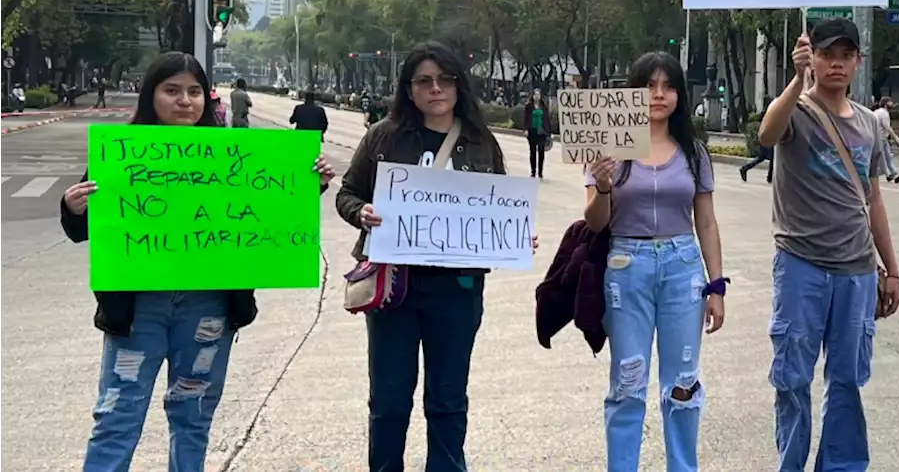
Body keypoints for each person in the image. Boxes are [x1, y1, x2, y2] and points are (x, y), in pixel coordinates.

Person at [59, 51, 335, 472]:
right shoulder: (121, 155)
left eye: (194, 92)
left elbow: (268, 213)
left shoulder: (234, 156)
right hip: (137, 311)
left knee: (193, 415)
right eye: (171, 91)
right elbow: (83, 228)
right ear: (150, 95)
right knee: (117, 414)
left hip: (208, 308)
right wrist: (72, 205)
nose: (185, 101)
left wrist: (307, 182)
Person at [336, 43, 529, 472]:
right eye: (424, 81)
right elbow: (347, 192)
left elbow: (498, 205)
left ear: (460, 85)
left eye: (445, 79)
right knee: (389, 400)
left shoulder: (481, 142)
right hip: (394, 288)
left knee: (447, 399)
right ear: (408, 88)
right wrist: (360, 212)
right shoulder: (383, 136)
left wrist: (513, 236)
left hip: (457, 289)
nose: (435, 89)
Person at [756, 17, 899, 472]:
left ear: (857, 61)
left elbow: (873, 198)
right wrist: (795, 81)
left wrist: (891, 268)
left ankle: (841, 465)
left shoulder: (867, 124)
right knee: (793, 378)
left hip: (856, 270)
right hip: (801, 264)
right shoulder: (796, 111)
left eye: (845, 55)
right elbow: (766, 135)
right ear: (812, 58)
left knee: (847, 378)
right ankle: (791, 464)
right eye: (825, 54)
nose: (835, 63)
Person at [583, 50, 725, 472]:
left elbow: (707, 222)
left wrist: (716, 286)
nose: (658, 95)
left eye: (668, 87)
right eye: (649, 86)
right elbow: (593, 222)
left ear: (680, 95)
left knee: (683, 384)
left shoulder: (693, 151)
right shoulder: (608, 148)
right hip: (627, 267)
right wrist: (604, 186)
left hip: (684, 269)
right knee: (628, 383)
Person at [873, 97, 899, 183]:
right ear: (885, 104)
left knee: (887, 157)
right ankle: (889, 174)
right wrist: (896, 138)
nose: (892, 104)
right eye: (890, 102)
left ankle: (893, 174)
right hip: (880, 139)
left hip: (880, 138)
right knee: (883, 159)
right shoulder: (884, 113)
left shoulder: (877, 112)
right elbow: (887, 127)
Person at [524, 88, 550, 178]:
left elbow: (547, 120)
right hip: (532, 131)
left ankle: (540, 172)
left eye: (538, 94)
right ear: (533, 96)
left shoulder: (544, 107)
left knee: (541, 151)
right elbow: (526, 119)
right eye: (535, 94)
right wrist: (526, 129)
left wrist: (549, 132)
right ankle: (533, 171)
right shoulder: (528, 106)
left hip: (542, 132)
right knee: (533, 152)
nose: (536, 96)